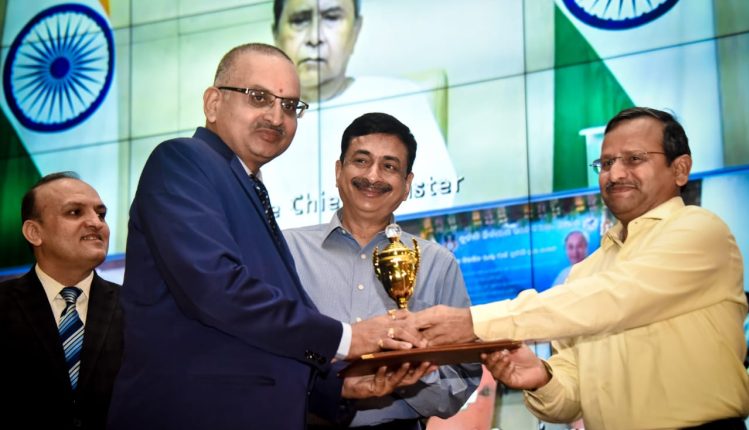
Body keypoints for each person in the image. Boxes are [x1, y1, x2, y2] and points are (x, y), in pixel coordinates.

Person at [108, 43, 435, 430]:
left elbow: (253, 341)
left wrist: (339, 388)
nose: (277, 116)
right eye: (258, 97)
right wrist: (348, 338)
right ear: (213, 103)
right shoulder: (183, 161)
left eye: (290, 105)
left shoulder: (247, 188)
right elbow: (217, 290)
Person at [413, 107, 749, 429]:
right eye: (606, 163)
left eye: (634, 159)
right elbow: (571, 401)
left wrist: (474, 322)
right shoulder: (585, 272)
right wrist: (541, 378)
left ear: (680, 169)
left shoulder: (700, 230)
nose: (615, 174)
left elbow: (615, 298)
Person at [284, 112, 482, 429]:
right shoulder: (286, 251)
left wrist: (408, 369)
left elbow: (460, 384)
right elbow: (263, 360)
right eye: (361, 161)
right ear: (338, 171)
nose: (373, 176)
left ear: (407, 185)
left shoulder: (437, 263)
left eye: (389, 166)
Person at [267, 0, 459, 228]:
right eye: (299, 20)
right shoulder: (255, 121)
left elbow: (437, 203)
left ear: (355, 30)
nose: (315, 38)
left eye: (332, 18)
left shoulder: (402, 98)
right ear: (276, 34)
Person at [0, 171, 124, 429]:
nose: (96, 222)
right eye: (75, 212)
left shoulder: (135, 307)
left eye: (101, 214)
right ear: (34, 232)